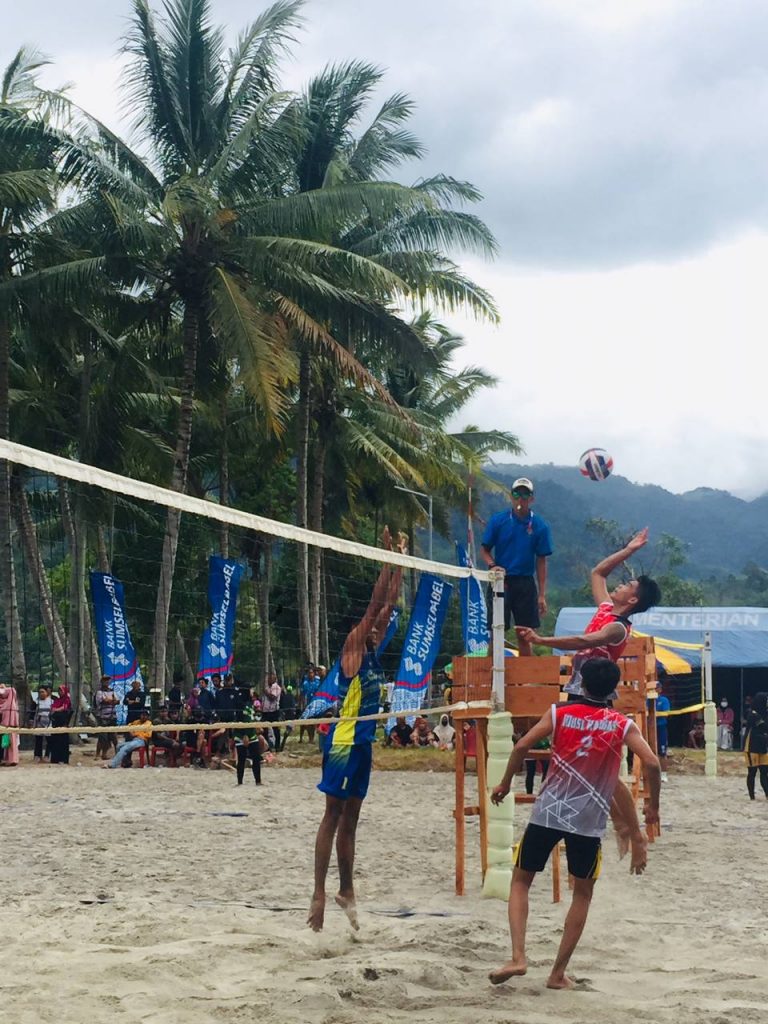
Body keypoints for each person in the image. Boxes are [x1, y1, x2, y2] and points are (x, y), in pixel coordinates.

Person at [489, 658, 661, 990]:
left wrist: (506, 783)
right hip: (588, 822)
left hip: (548, 814)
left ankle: (518, 957)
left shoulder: (560, 714)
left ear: (579, 685)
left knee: (521, 881)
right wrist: (653, 805)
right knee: (582, 894)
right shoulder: (621, 724)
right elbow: (651, 763)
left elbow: (522, 745)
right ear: (613, 690)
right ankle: (556, 974)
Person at [516, 527, 661, 870]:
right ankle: (626, 828)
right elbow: (598, 572)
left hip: (595, 701)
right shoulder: (607, 608)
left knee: (606, 775)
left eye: (627, 585)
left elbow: (582, 641)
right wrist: (628, 549)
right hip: (576, 696)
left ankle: (634, 833)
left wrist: (542, 640)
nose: (619, 585)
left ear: (633, 600)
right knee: (600, 774)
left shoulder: (617, 628)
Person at [308, 526, 406, 933]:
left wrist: (401, 556)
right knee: (333, 816)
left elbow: (388, 604)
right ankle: (318, 891)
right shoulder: (352, 647)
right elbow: (375, 604)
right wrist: (386, 558)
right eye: (375, 627)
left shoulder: (374, 651)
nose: (380, 628)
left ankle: (347, 890)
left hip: (363, 746)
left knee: (351, 822)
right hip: (343, 743)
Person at [480, 477, 553, 656]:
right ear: (511, 497)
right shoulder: (498, 520)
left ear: (531, 498)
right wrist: (492, 566)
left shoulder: (540, 526)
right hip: (500, 580)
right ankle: (492, 680)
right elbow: (484, 550)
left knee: (525, 634)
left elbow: (541, 560)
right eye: (516, 494)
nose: (521, 498)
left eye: (525, 494)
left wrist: (542, 595)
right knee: (496, 632)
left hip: (525, 582)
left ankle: (527, 681)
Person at [743, 691, 768, 800]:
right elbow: (764, 726)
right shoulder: (752, 714)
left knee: (764, 772)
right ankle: (752, 796)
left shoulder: (764, 714)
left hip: (763, 747)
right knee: (752, 772)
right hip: (751, 746)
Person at [93, 676, 119, 761]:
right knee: (102, 736)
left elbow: (117, 701)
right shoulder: (99, 692)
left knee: (113, 736)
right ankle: (98, 754)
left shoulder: (112, 691)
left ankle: (116, 754)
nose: (107, 682)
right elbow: (103, 701)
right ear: (102, 681)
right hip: (102, 717)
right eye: (105, 680)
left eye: (108, 680)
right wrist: (112, 701)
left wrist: (110, 700)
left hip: (112, 716)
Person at [48, 685, 72, 765]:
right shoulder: (57, 700)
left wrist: (56, 710)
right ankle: (55, 759)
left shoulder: (67, 699)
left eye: (61, 691)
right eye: (59, 691)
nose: (59, 692)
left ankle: (63, 759)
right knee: (55, 741)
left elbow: (64, 707)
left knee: (62, 742)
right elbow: (52, 708)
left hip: (63, 723)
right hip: (55, 723)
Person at [0, 682, 20, 766]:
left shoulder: (11, 704)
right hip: (4, 727)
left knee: (11, 743)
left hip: (10, 727)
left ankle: (12, 759)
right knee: (5, 743)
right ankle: (5, 759)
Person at [31, 686, 53, 762]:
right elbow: (32, 713)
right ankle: (37, 755)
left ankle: (47, 755)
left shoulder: (51, 701)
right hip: (38, 722)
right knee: (38, 740)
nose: (41, 694)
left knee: (49, 740)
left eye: (43, 692)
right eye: (39, 692)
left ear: (47, 693)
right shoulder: (36, 701)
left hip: (48, 722)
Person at [261, 674, 282, 752]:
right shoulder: (267, 688)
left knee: (275, 729)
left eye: (271, 679)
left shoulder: (276, 687)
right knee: (264, 729)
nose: (269, 680)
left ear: (274, 679)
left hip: (273, 711)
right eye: (268, 679)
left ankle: (277, 747)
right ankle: (267, 747)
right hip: (265, 712)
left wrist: (266, 692)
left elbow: (273, 697)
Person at [655, 682, 671, 782]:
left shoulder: (664, 700)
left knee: (662, 752)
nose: (656, 690)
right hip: (650, 727)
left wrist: (654, 714)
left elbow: (666, 714)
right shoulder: (647, 700)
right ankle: (652, 773)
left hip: (661, 727)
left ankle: (664, 774)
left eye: (657, 688)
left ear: (660, 689)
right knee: (650, 752)